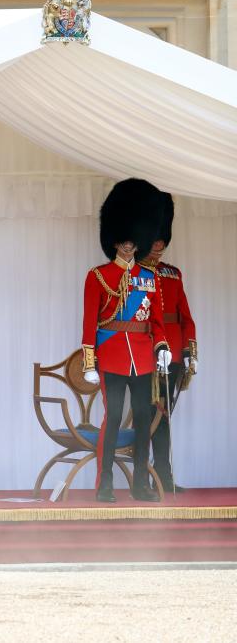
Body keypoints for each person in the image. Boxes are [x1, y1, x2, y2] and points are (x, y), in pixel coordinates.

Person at [81, 179, 171, 503]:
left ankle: (139, 485)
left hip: (144, 359)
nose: (129, 246)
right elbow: (90, 322)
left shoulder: (150, 278)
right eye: (124, 240)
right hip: (113, 356)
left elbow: (156, 322)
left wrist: (162, 347)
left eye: (134, 240)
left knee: (145, 418)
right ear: (114, 240)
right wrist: (90, 361)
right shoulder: (99, 276)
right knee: (114, 416)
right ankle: (104, 483)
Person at [140, 188, 198, 493]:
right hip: (144, 356)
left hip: (172, 355)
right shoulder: (133, 275)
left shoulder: (173, 274)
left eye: (162, 236)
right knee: (153, 420)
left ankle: (161, 478)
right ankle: (155, 478)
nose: (159, 243)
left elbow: (185, 317)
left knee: (164, 420)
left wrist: (190, 350)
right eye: (154, 236)